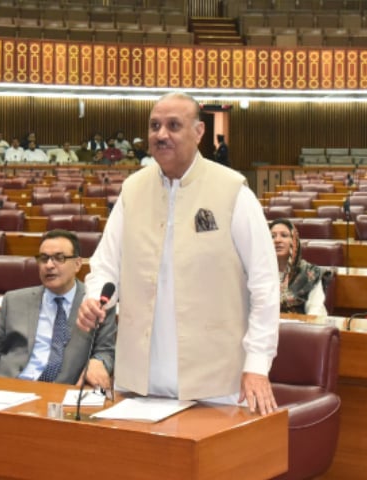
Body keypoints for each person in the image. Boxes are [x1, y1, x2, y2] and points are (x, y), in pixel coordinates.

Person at [77, 92, 279, 414]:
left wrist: (257, 363)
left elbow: (265, 284)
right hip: (140, 375)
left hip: (216, 380)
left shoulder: (233, 191)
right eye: (154, 126)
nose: (161, 135)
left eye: (173, 125)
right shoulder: (133, 189)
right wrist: (94, 297)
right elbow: (105, 265)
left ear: (199, 132)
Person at [0, 230, 116, 388]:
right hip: (6, 386)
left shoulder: (96, 303)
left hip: (58, 391)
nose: (49, 265)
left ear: (78, 264)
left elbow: (105, 351)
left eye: (59, 258)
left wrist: (99, 361)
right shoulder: (14, 300)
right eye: (43, 258)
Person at [270, 219, 330, 317]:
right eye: (272, 236)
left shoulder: (309, 273)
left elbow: (315, 312)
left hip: (299, 329)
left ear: (294, 242)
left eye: (284, 235)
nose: (277, 240)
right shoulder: (258, 273)